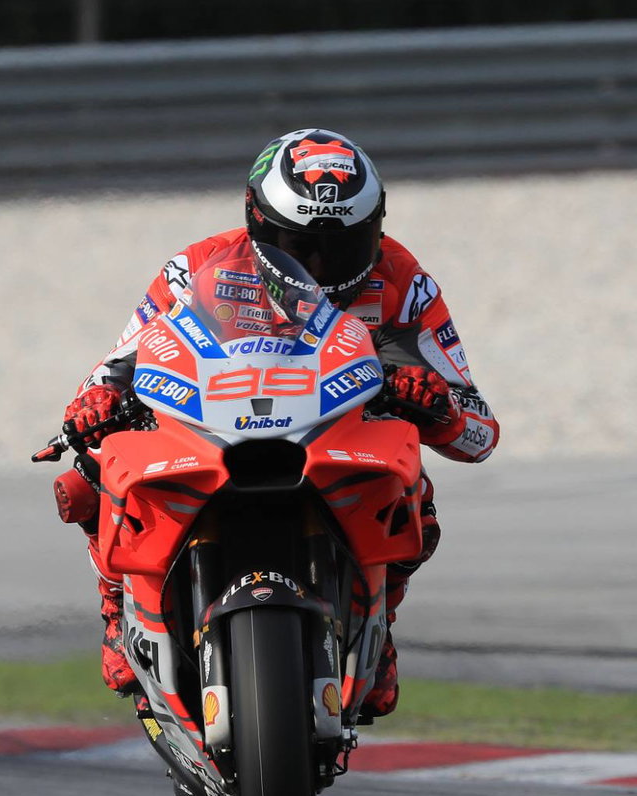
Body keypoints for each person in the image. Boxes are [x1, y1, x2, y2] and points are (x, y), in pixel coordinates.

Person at [55, 128, 499, 719]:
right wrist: (96, 402)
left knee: (414, 495)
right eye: (299, 245)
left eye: (343, 246)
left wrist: (436, 405)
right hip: (212, 425)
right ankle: (116, 608)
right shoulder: (195, 267)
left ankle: (379, 622)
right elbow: (116, 363)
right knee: (94, 468)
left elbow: (479, 433)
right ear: (258, 223)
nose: (319, 265)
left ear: (376, 227)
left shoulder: (405, 283)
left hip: (335, 434)